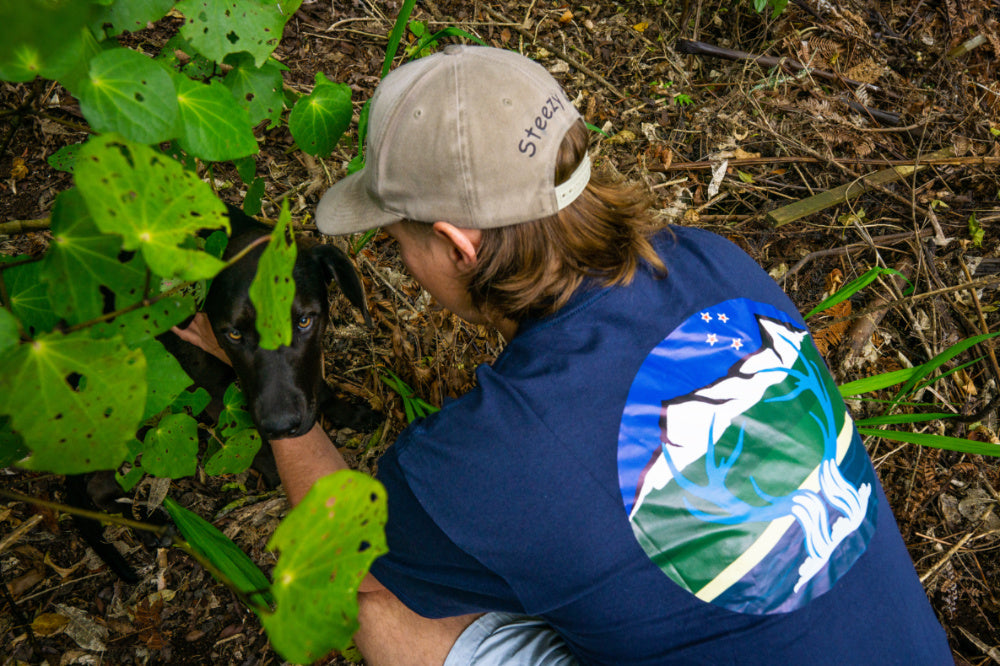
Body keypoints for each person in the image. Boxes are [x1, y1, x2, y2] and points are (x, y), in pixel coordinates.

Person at [180, 45, 952, 665]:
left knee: (384, 611)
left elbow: (340, 556)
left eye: (398, 241)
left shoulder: (489, 458)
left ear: (456, 244)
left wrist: (277, 396)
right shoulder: (715, 263)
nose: (404, 264)